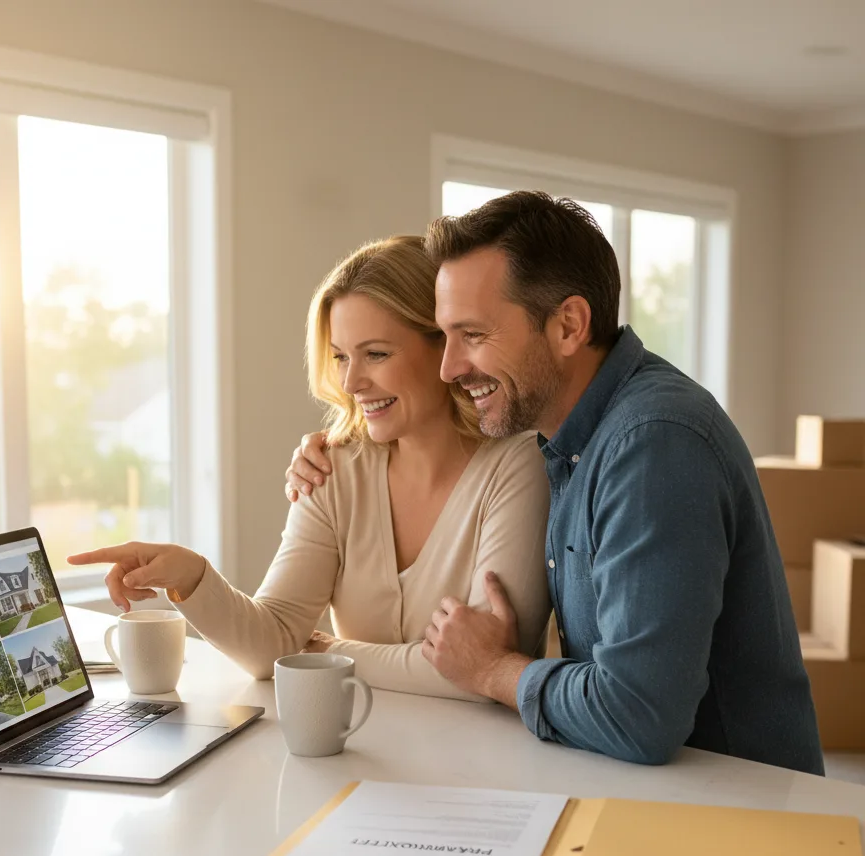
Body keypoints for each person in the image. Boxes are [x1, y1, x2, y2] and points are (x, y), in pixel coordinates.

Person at [286, 193, 824, 774]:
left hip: (739, 818)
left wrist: (492, 669)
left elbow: (639, 717)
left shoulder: (652, 444)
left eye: (473, 335)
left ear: (568, 325)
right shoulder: (566, 441)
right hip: (654, 795)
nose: (450, 368)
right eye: (446, 336)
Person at [69, 235, 551, 700]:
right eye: (341, 356)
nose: (351, 381)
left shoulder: (519, 466)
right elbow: (270, 645)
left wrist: (324, 651)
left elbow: (484, 670)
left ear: (444, 347)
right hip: (352, 758)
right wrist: (193, 577)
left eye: (376, 354)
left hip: (485, 771)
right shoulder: (333, 467)